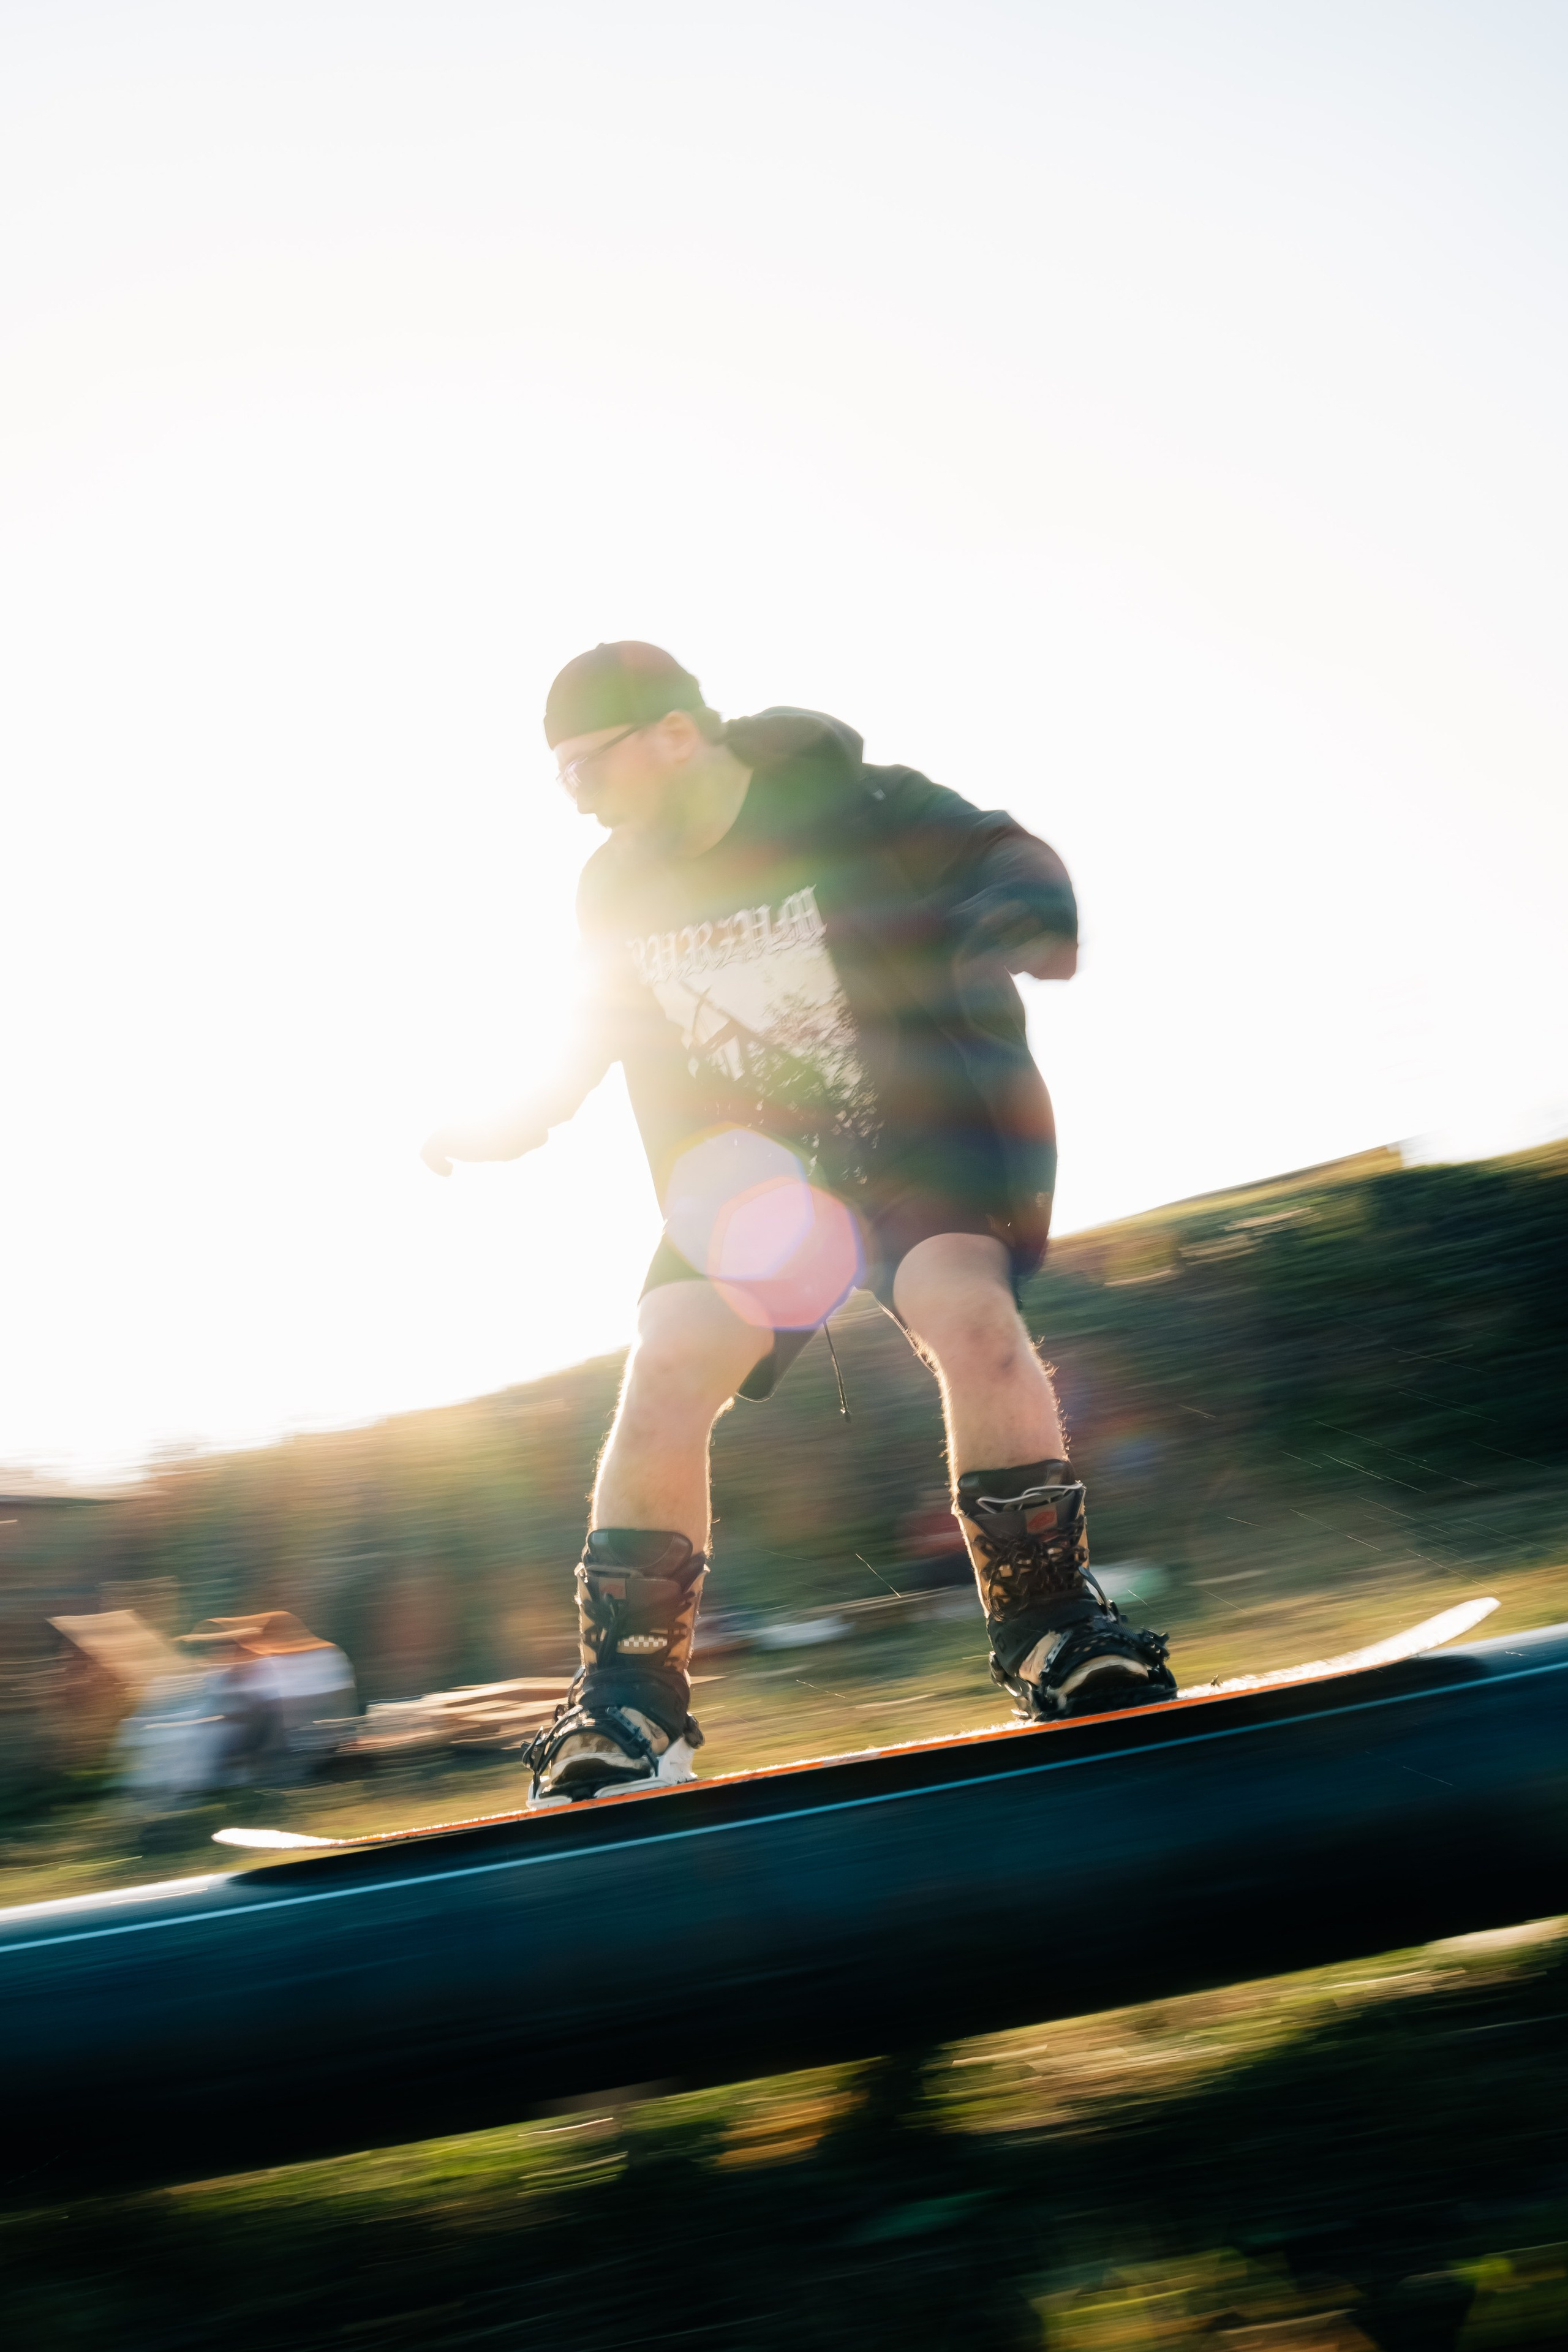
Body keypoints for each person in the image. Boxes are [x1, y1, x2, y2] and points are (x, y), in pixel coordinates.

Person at [423, 642, 1174, 1804]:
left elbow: (1000, 851)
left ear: (676, 733)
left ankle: (1054, 1635)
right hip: (754, 1183)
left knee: (965, 1317)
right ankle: (629, 1705)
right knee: (667, 1371)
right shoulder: (616, 888)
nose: (579, 802)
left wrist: (1009, 917)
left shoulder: (856, 804)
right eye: (561, 780)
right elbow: (585, 1030)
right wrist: (495, 1122)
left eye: (588, 769)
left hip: (915, 1135)